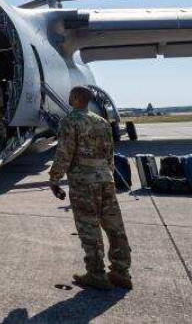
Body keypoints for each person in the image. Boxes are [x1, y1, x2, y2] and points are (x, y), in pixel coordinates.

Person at [48, 86, 132, 290]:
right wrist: (107, 174)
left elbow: (64, 153)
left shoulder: (69, 122)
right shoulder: (101, 122)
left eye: (71, 95)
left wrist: (54, 178)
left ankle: (96, 274)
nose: (69, 97)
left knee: (89, 227)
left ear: (77, 98)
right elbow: (109, 152)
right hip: (105, 179)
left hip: (84, 182)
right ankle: (121, 271)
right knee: (114, 226)